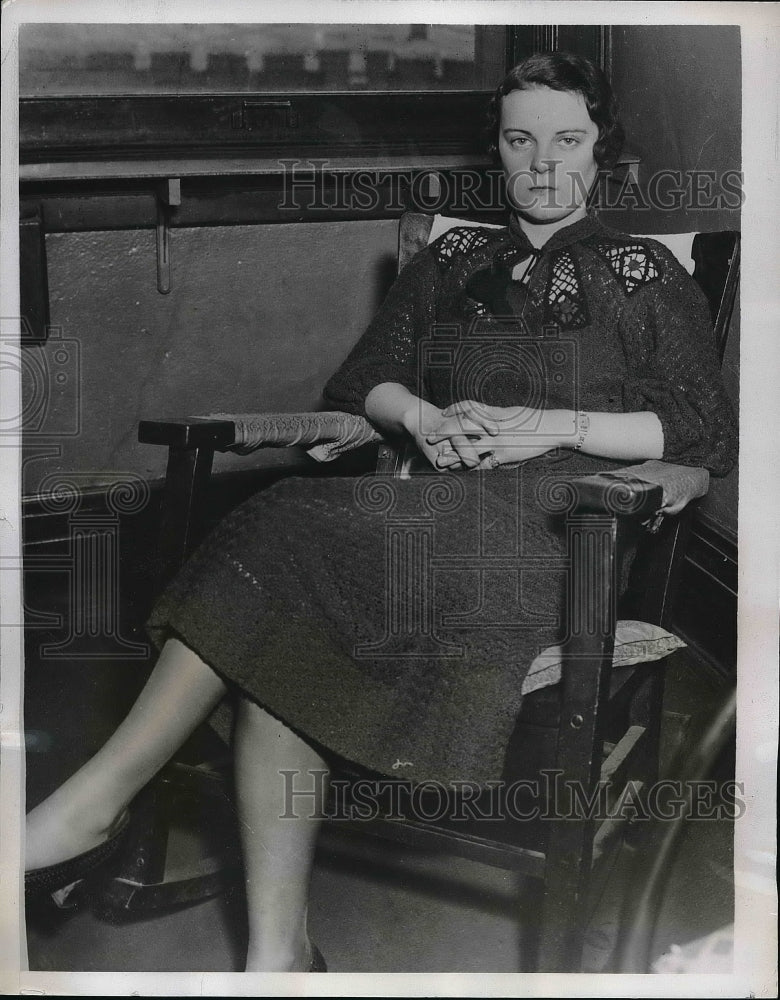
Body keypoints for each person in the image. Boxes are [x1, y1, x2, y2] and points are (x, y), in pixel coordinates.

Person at [24, 51, 737, 972]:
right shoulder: (455, 256)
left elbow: (696, 430)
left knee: (298, 581)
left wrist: (542, 426)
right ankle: (273, 955)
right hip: (426, 510)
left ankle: (96, 811)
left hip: (559, 531)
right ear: (497, 150)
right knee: (288, 537)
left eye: (569, 138)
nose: (544, 162)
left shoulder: (643, 272)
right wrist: (424, 417)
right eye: (521, 139)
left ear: (604, 151)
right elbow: (366, 381)